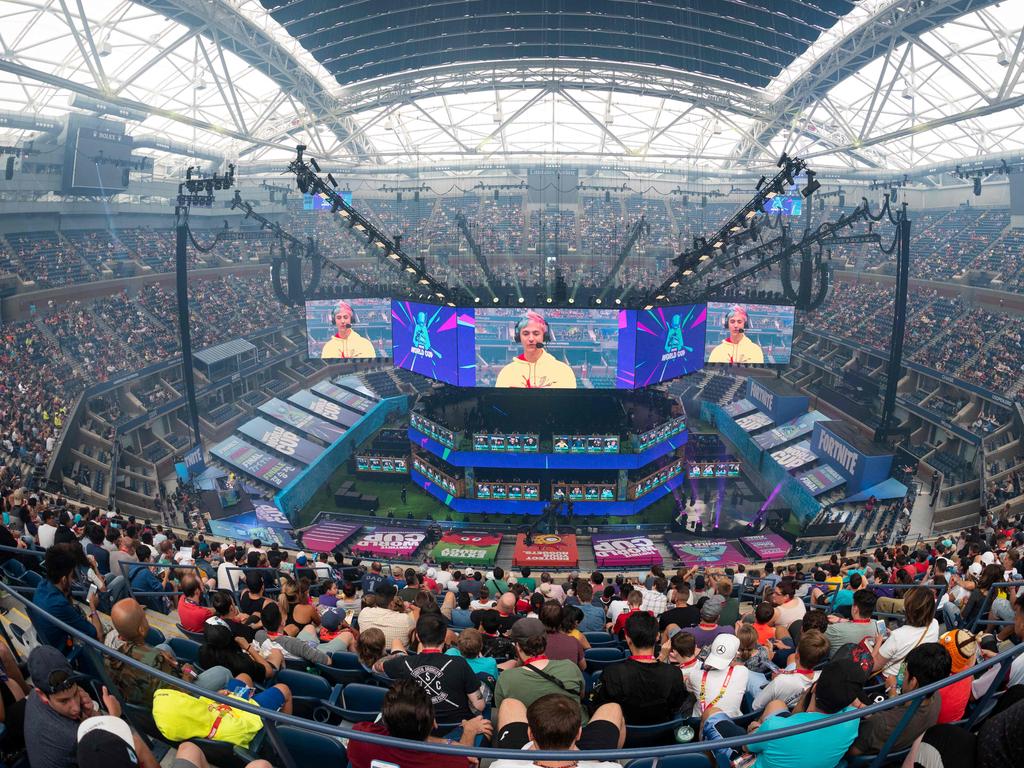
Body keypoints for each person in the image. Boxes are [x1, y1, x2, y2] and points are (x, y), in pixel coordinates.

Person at [24, 645, 158, 768]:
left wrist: (90, 716)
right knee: (137, 745)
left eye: (75, 693)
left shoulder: (34, 697)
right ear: (42, 694)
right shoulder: (71, 738)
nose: (76, 707)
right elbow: (106, 750)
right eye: (64, 701)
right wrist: (114, 717)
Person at [721, 659, 865, 768]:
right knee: (777, 704)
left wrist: (755, 728)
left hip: (757, 755)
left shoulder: (775, 727)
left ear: (814, 687)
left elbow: (746, 747)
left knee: (712, 714)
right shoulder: (852, 719)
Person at [103, 598, 232, 705]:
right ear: (142, 629)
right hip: (172, 703)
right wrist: (187, 676)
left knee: (164, 647)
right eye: (144, 617)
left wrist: (158, 653)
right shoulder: (155, 660)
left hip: (141, 699)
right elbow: (178, 696)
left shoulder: (110, 656)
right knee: (223, 672)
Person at [347, 679, 491, 768]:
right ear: (432, 723)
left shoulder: (360, 737)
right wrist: (469, 732)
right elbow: (468, 761)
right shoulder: (452, 762)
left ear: (385, 719)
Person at [376, 614, 484, 726]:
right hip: (456, 729)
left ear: (417, 637)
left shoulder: (403, 663)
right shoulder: (460, 663)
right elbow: (479, 705)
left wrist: (395, 657)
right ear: (444, 637)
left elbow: (376, 667)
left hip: (415, 727)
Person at [849, 643, 951, 756]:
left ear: (913, 682)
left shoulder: (880, 723)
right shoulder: (936, 698)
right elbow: (900, 713)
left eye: (905, 672)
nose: (903, 674)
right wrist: (892, 692)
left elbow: (852, 753)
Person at [590, 612, 687, 725]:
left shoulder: (611, 673)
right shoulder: (674, 673)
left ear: (627, 638)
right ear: (657, 636)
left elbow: (598, 709)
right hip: (663, 735)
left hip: (622, 737)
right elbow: (677, 707)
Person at [491, 694, 625, 766]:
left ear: (530, 734)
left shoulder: (502, 765)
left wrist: (529, 748)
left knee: (510, 703)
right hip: (589, 761)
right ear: (579, 734)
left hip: (521, 758)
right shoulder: (609, 767)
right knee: (613, 707)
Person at [493, 618, 586, 713]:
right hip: (574, 726)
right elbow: (581, 696)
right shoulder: (570, 667)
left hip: (531, 727)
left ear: (517, 646)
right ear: (545, 641)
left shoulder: (506, 678)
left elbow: (503, 711)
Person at [32, 544, 105, 653]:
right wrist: (92, 606)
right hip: (64, 650)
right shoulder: (59, 604)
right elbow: (98, 635)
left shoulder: (42, 585)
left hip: (46, 640)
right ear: (63, 580)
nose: (72, 580)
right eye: (71, 576)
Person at [871, 587, 940, 689]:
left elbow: (873, 666)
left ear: (909, 610)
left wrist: (878, 642)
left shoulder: (897, 636)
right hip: (911, 675)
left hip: (888, 681)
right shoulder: (934, 624)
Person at [751, 630, 830, 711]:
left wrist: (776, 682)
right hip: (791, 697)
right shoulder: (823, 677)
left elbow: (756, 706)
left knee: (747, 673)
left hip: (772, 708)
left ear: (797, 655)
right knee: (791, 661)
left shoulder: (781, 681)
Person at [495, 311, 577, 389]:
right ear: (518, 337)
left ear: (544, 336)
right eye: (526, 334)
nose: (531, 338)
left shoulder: (563, 371)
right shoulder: (507, 372)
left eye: (536, 333)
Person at [682, 633, 748, 718]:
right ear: (736, 655)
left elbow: (688, 687)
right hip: (733, 722)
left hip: (699, 721)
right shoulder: (743, 671)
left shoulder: (694, 675)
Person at [825, 589, 879, 656]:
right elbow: (861, 623)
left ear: (855, 609)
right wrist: (840, 620)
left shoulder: (835, 629)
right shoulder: (878, 625)